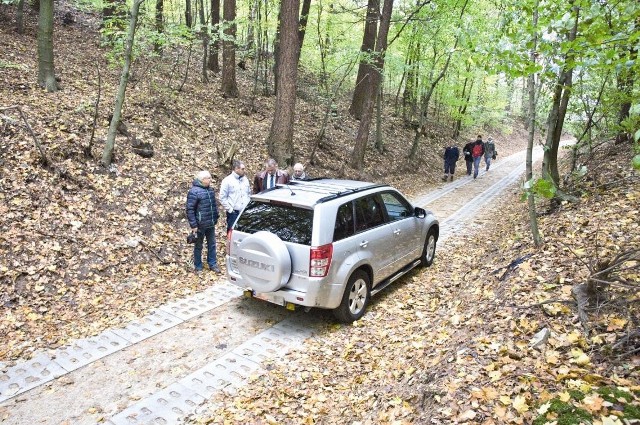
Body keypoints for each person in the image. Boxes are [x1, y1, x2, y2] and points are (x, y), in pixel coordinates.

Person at [186, 170, 221, 274]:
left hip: (210, 223)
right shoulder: (194, 191)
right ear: (202, 180)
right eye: (208, 178)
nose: (210, 180)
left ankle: (212, 264)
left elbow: (214, 205)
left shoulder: (210, 190)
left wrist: (216, 216)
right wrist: (193, 225)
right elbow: (190, 209)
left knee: (212, 244)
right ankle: (198, 266)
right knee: (198, 246)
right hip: (200, 225)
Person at [219, 159, 251, 232]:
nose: (244, 170)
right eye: (242, 169)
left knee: (244, 231)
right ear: (236, 169)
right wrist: (230, 210)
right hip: (234, 213)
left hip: (245, 211)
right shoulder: (227, 181)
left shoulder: (245, 180)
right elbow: (222, 197)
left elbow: (249, 194)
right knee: (232, 232)